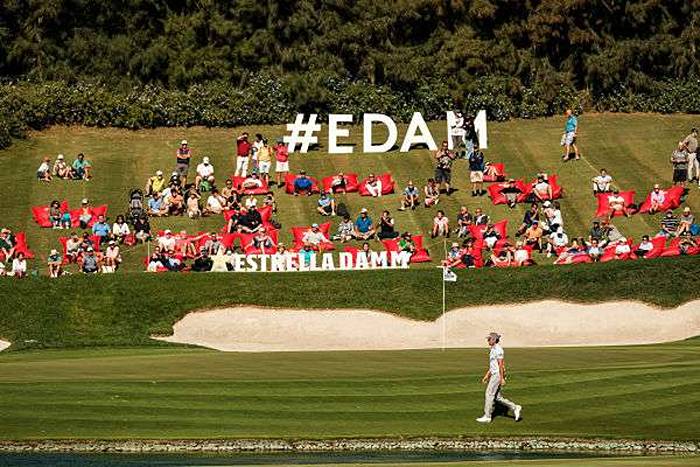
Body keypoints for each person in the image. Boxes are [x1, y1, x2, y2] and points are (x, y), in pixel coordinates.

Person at [476, 332, 522, 423]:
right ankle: (515, 407)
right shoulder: (492, 349)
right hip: (494, 374)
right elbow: (493, 365)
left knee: (489, 394)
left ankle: (487, 416)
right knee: (497, 397)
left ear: (494, 339)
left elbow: (501, 365)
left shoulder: (498, 349)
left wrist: (501, 378)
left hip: (497, 375)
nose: (488, 340)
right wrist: (487, 375)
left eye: (489, 339)